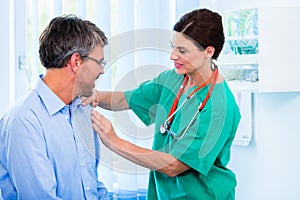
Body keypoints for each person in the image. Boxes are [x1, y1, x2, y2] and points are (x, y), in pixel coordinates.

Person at [84, 8, 241, 200]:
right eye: (173, 47)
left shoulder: (219, 107)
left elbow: (173, 165)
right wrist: (95, 96)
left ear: (208, 52)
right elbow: (125, 99)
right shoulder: (172, 80)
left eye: (182, 51)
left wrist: (114, 141)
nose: (173, 56)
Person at [0, 15, 109, 199]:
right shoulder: (25, 121)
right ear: (76, 63)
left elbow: (92, 186)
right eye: (99, 63)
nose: (102, 70)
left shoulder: (83, 111)